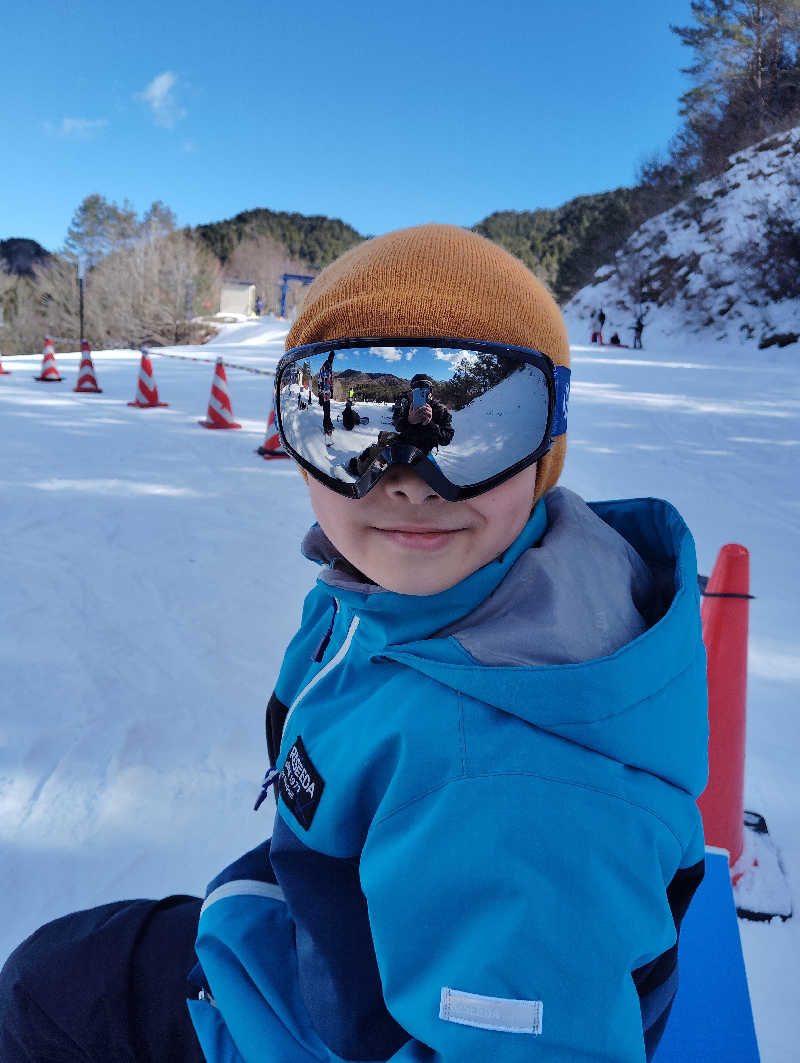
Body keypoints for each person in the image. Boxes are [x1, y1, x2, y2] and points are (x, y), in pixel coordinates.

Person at [0, 224, 708, 1063]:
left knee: (45, 999)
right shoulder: (426, 588)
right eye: (347, 428)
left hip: (330, 1026)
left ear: (546, 449)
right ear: (296, 445)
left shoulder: (518, 794)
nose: (407, 479)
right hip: (334, 949)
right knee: (63, 964)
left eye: (478, 425)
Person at [317, 350, 334, 443]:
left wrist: (331, 390)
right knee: (326, 412)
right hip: (323, 395)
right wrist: (320, 395)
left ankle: (329, 426)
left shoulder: (330, 367)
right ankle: (326, 428)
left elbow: (330, 381)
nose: (332, 360)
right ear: (329, 358)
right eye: (331, 358)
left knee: (328, 411)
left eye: (333, 358)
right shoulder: (323, 368)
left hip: (328, 395)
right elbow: (320, 382)